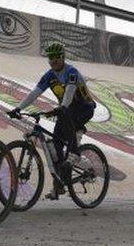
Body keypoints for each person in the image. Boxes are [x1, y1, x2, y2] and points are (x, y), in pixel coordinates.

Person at [8, 42, 96, 199]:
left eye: (56, 58)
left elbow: (69, 94)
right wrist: (18, 108)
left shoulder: (71, 72)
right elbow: (35, 92)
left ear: (63, 57)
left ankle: (78, 156)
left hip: (84, 108)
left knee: (71, 135)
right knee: (56, 144)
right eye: (50, 58)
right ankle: (59, 186)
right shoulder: (49, 76)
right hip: (65, 110)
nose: (53, 61)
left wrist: (61, 108)